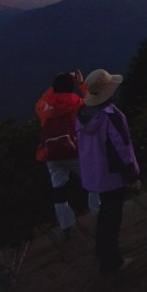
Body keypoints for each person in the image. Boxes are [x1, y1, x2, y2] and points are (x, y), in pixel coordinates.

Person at [77, 69, 141, 274]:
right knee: (112, 216)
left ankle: (101, 250)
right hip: (112, 174)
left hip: (94, 173)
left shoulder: (82, 115)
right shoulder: (111, 116)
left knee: (105, 211)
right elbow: (122, 148)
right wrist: (132, 176)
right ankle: (112, 262)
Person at [35, 70, 100, 238]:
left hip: (51, 154)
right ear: (71, 88)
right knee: (93, 181)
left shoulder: (43, 106)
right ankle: (99, 215)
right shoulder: (76, 103)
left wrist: (56, 84)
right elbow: (93, 102)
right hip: (73, 151)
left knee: (59, 190)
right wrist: (81, 83)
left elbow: (44, 97)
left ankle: (66, 225)